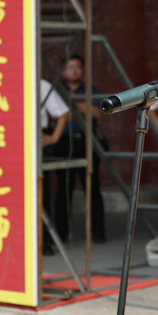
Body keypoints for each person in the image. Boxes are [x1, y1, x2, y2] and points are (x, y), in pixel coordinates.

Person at [53, 54, 107, 244]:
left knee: (92, 188)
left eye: (77, 66)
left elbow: (97, 113)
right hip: (64, 142)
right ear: (63, 71)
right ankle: (61, 234)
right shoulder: (55, 90)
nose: (74, 70)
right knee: (63, 189)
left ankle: (98, 233)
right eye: (70, 67)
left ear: (83, 70)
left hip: (87, 141)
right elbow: (53, 115)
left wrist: (73, 105)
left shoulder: (91, 89)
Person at [39, 78, 69, 256]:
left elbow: (62, 113)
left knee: (42, 193)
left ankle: (44, 241)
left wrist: (54, 137)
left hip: (38, 138)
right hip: (6, 139)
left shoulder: (41, 84)